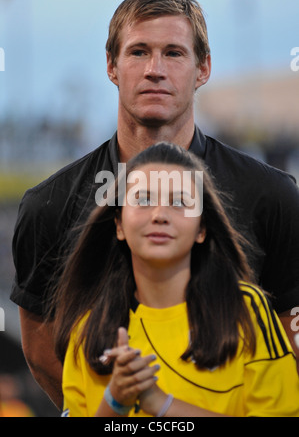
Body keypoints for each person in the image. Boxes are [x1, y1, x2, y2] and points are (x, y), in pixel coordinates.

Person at [10, 0, 299, 410]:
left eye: (174, 53)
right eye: (139, 52)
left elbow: (292, 327)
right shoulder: (49, 205)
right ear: (112, 66)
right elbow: (41, 348)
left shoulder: (271, 194)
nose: (154, 70)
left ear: (203, 69)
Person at [54, 142, 299, 417]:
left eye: (179, 201)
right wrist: (115, 401)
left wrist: (162, 404)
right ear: (119, 224)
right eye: (143, 200)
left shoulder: (244, 309)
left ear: (201, 228)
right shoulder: (88, 330)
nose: (159, 215)